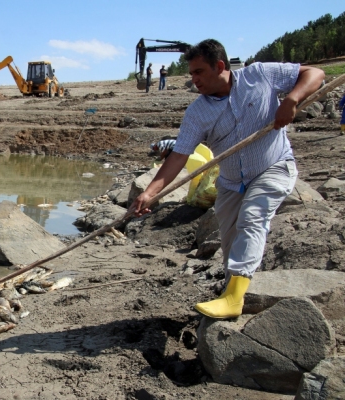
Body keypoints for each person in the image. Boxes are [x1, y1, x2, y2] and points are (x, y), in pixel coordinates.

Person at [129, 39, 324, 319]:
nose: (194, 80)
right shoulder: (198, 112)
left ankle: (233, 299)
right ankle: (233, 291)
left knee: (253, 217)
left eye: (199, 72)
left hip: (273, 166)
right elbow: (178, 157)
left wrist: (292, 100)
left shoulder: (260, 75)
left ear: (220, 66)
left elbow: (315, 73)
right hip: (231, 182)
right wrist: (150, 193)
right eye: (191, 74)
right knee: (231, 240)